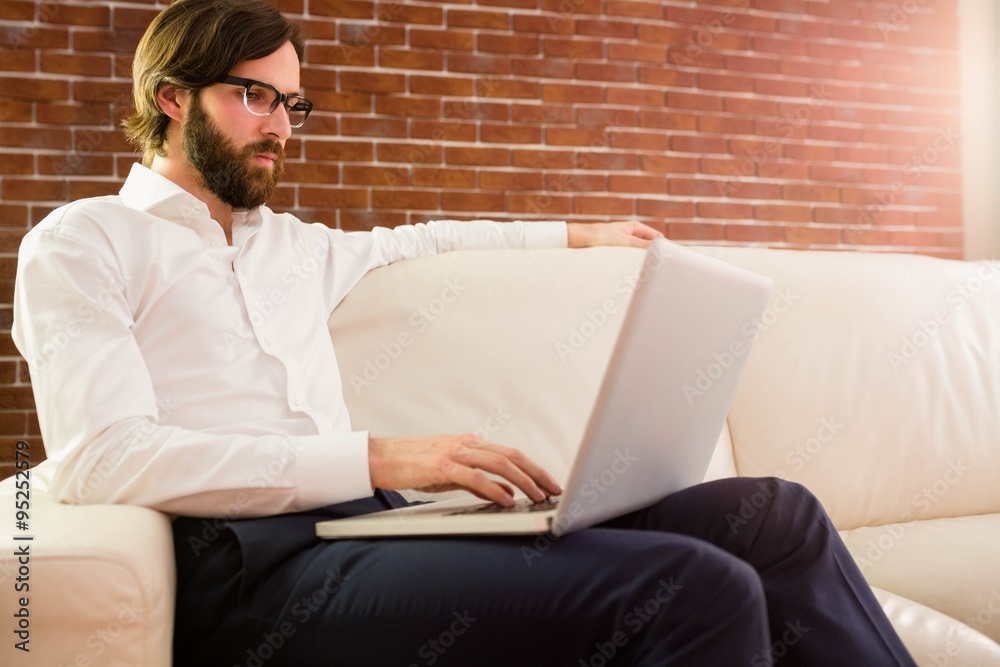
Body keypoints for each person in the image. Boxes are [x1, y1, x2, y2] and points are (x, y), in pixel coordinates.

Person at [12, 1, 916, 665]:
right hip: (258, 575)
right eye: (256, 97)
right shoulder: (85, 241)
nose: (282, 127)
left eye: (293, 105)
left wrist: (582, 234)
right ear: (171, 98)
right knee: (698, 588)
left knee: (774, 516)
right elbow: (105, 458)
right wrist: (377, 458)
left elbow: (432, 235)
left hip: (378, 533)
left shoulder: (292, 246)